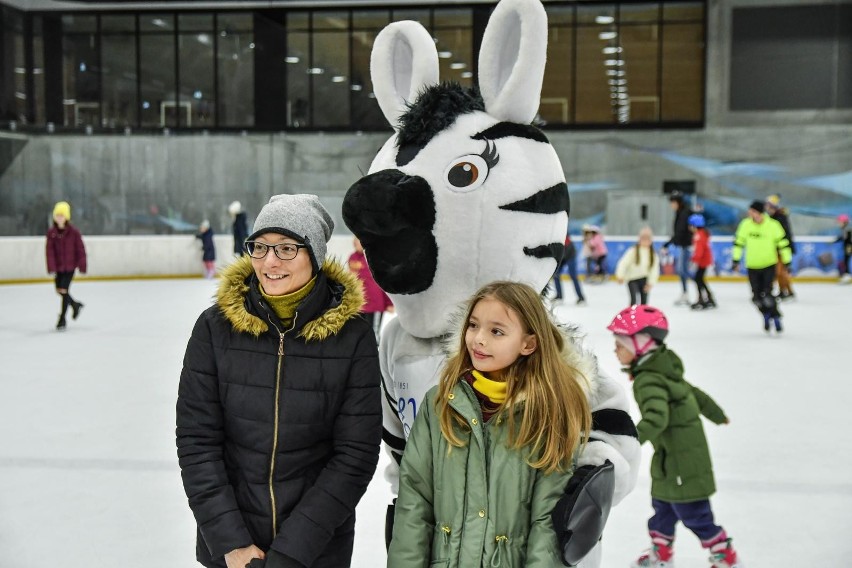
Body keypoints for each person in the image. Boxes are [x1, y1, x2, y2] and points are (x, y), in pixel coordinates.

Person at [176, 194, 383, 568]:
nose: (269, 261)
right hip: (231, 553)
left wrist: (293, 552)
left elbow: (355, 455)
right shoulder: (214, 328)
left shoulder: (353, 338)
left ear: (315, 256)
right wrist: (231, 542)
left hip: (315, 552)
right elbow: (197, 441)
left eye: (287, 248)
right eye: (260, 247)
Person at [387, 281, 593, 567]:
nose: (478, 339)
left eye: (496, 331)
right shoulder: (439, 404)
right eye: (473, 325)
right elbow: (415, 500)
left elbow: (547, 521)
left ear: (528, 343)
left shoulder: (547, 412)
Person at [606, 305, 741, 568]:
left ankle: (725, 555)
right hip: (675, 458)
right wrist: (716, 413)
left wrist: (628, 442)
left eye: (621, 344)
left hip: (680, 461)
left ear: (640, 345)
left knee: (694, 514)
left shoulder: (648, 380)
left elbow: (657, 418)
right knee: (663, 509)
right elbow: (693, 392)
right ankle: (661, 554)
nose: (615, 350)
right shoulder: (664, 368)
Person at [731, 200, 792, 333]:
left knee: (768, 294)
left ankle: (775, 316)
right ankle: (766, 314)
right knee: (756, 297)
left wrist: (787, 261)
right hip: (752, 266)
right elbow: (738, 243)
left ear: (758, 212)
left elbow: (783, 243)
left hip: (769, 264)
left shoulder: (773, 225)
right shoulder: (745, 224)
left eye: (752, 211)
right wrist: (735, 260)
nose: (750, 213)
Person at [45, 200, 87, 330]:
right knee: (59, 290)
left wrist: (82, 264)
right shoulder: (52, 232)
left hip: (70, 267)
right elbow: (49, 251)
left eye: (62, 215)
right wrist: (51, 267)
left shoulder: (74, 232)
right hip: (58, 267)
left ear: (67, 217)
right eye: (57, 215)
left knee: (63, 290)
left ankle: (62, 318)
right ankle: (75, 304)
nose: (59, 218)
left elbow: (80, 249)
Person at [348, 237, 394, 340]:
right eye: (355, 241)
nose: (356, 243)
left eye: (358, 241)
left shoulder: (373, 258)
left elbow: (384, 281)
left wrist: (389, 303)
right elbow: (350, 280)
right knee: (361, 332)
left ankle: (375, 352)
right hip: (360, 303)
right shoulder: (352, 257)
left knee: (374, 333)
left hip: (375, 304)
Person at [661, 192, 694, 306]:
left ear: (677, 203)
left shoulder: (684, 213)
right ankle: (686, 292)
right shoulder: (681, 212)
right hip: (684, 245)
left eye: (672, 203)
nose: (671, 205)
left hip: (687, 246)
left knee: (683, 270)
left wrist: (668, 243)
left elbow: (680, 231)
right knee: (682, 270)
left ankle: (693, 292)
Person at [614, 226, 660, 306]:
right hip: (632, 279)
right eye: (643, 238)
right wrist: (620, 275)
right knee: (634, 300)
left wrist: (651, 283)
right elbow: (623, 263)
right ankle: (632, 316)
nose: (645, 240)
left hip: (644, 280)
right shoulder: (633, 251)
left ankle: (643, 317)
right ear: (639, 239)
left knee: (644, 302)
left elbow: (654, 270)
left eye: (647, 238)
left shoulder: (653, 254)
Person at [764, 195, 796, 301]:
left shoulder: (780, 218)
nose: (768, 209)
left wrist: (784, 248)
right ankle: (785, 291)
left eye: (769, 206)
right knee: (779, 272)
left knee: (780, 272)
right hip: (777, 248)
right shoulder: (772, 218)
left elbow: (784, 235)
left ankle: (787, 291)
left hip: (782, 248)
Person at [688, 213, 716, 310]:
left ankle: (702, 299)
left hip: (702, 261)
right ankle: (708, 297)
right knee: (700, 279)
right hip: (705, 260)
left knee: (698, 279)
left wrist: (694, 260)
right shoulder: (703, 233)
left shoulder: (698, 236)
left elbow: (699, 251)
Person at [552, 232, 586, 305]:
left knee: (573, 275)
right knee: (556, 275)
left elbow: (568, 246)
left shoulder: (562, 233)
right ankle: (559, 296)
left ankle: (581, 298)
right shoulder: (552, 234)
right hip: (562, 257)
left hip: (570, 255)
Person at [836, 213, 852, 284]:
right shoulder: (845, 229)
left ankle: (847, 275)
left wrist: (849, 248)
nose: (839, 224)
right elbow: (842, 237)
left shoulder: (848, 229)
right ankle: (846, 275)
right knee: (846, 260)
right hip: (847, 247)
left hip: (848, 247)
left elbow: (848, 239)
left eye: (840, 222)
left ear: (844, 222)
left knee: (847, 260)